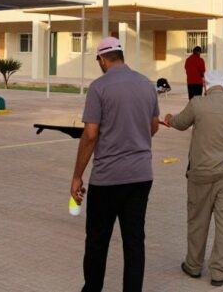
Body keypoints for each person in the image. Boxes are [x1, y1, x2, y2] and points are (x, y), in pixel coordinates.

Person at [71, 38, 160, 292]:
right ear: (121, 55)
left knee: (98, 241)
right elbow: (153, 126)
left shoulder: (99, 88)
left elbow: (90, 134)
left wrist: (77, 175)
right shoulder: (146, 84)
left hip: (107, 178)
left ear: (101, 59)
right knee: (134, 242)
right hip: (141, 176)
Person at [165, 69, 223, 287]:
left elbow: (180, 123)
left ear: (205, 84)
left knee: (198, 221)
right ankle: (219, 272)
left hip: (201, 174)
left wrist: (169, 118)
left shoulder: (198, 103)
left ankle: (194, 265)